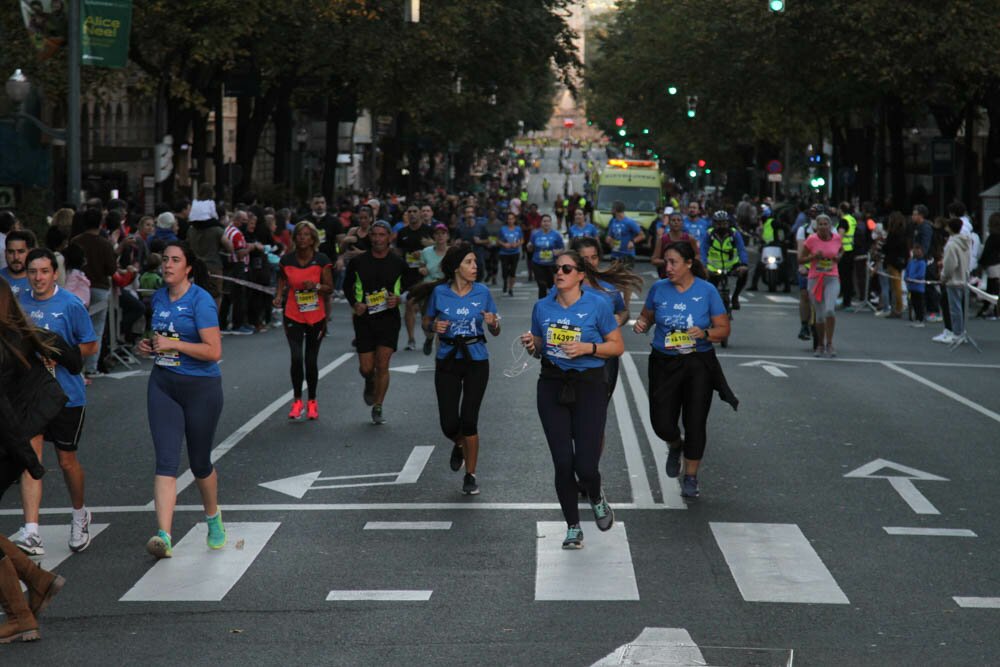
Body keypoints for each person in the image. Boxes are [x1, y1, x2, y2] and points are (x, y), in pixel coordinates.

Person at [520, 251, 624, 549]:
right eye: (557, 268)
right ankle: (573, 526)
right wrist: (532, 343)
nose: (560, 273)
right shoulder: (542, 307)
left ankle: (595, 494)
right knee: (563, 462)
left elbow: (616, 347)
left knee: (586, 466)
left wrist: (588, 348)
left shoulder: (598, 305)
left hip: (589, 385)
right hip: (552, 384)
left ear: (580, 275)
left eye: (567, 268)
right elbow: (541, 346)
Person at [135, 241, 225, 559]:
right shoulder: (158, 297)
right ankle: (164, 536)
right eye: (164, 260)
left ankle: (213, 518)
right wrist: (147, 346)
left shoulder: (200, 301)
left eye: (175, 260)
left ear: (188, 268)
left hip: (201, 388)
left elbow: (214, 351)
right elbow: (159, 337)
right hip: (163, 386)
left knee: (200, 464)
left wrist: (175, 344)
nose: (168, 265)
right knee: (166, 462)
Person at [0, 277, 77, 643]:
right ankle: (37, 581)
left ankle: (21, 616)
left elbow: (2, 412)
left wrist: (30, 459)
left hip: (7, 445)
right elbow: (75, 360)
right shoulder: (24, 332)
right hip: (13, 446)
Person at [632, 241, 736, 500]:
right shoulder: (659, 289)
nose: (667, 268)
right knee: (661, 422)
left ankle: (690, 475)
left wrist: (706, 332)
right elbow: (648, 316)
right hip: (664, 362)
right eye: (665, 262)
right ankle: (674, 444)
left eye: (673, 262)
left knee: (695, 421)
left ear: (689, 263)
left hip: (697, 362)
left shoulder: (707, 291)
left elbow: (724, 329)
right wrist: (642, 324)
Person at [11, 248, 97, 556]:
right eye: (33, 272)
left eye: (44, 271)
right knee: (31, 460)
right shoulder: (18, 303)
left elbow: (88, 345)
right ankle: (32, 530)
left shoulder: (70, 305)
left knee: (66, 461)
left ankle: (80, 515)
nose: (38, 278)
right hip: (31, 395)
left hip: (66, 395)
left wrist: (57, 354)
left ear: (54, 273)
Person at [414, 244, 501, 495]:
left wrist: (493, 324)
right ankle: (460, 444)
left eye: (475, 262)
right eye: (469, 262)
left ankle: (470, 475)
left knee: (470, 420)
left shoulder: (483, 292)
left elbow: (496, 329)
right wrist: (434, 328)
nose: (475, 267)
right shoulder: (439, 293)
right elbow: (427, 321)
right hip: (448, 358)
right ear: (456, 267)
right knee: (449, 424)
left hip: (476, 359)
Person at [344, 221, 407, 424]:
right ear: (369, 237)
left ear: (389, 237)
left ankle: (378, 405)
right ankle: (369, 381)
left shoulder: (398, 262)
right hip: (364, 319)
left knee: (383, 364)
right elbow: (347, 286)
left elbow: (410, 287)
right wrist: (355, 304)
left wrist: (399, 299)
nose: (378, 239)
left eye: (382, 235)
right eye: (374, 235)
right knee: (366, 368)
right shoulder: (359, 262)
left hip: (389, 319)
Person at [273, 222, 334, 421]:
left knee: (310, 360)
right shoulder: (287, 260)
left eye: (307, 235)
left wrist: (315, 286)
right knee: (296, 358)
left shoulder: (321, 260)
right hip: (293, 314)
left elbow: (329, 288)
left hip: (316, 315)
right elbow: (281, 280)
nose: (302, 238)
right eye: (299, 234)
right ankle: (297, 400)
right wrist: (278, 295)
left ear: (313, 239)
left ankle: (312, 401)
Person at [72, 209, 117, 376]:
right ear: (100, 223)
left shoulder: (76, 241)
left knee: (76, 329)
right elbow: (112, 269)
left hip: (76, 287)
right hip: (99, 287)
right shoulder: (104, 243)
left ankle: (76, 365)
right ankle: (91, 367)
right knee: (96, 329)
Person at [799, 214, 843, 357]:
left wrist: (838, 257)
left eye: (826, 224)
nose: (823, 227)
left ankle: (830, 344)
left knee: (829, 311)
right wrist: (813, 257)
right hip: (815, 279)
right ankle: (820, 345)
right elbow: (800, 259)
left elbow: (841, 251)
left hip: (832, 278)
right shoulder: (811, 240)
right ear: (816, 227)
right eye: (821, 224)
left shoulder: (836, 238)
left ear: (830, 226)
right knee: (819, 315)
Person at [395, 205, 434, 350]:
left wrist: (423, 254)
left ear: (420, 214)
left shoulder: (428, 231)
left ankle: (429, 338)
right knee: (409, 306)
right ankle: (411, 340)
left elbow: (437, 251)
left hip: (426, 276)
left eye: (414, 211)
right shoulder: (402, 232)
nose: (411, 214)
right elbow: (398, 253)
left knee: (426, 312)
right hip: (408, 275)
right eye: (409, 211)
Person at [702, 211, 749, 310]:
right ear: (714, 224)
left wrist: (744, 264)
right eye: (719, 223)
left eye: (724, 223)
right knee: (709, 286)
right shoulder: (709, 234)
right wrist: (704, 266)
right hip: (714, 267)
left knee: (744, 274)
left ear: (728, 223)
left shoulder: (734, 234)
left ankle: (735, 297)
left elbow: (741, 249)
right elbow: (703, 250)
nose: (722, 226)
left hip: (732, 265)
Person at [418, 224, 451, 354]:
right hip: (428, 289)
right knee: (427, 322)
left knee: (442, 322)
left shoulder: (451, 252)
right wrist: (422, 270)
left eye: (443, 233)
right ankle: (429, 338)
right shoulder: (426, 252)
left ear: (447, 236)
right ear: (434, 236)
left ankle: (440, 356)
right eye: (437, 233)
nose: (440, 236)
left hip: (446, 290)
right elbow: (420, 266)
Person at [939, 218, 971, 345]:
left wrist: (943, 276)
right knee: (960, 307)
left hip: (953, 280)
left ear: (950, 228)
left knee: (954, 308)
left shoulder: (951, 244)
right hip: (963, 277)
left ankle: (956, 333)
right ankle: (961, 331)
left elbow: (950, 265)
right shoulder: (966, 242)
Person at [651, 211, 698, 279]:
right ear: (669, 223)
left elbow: (697, 255)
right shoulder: (662, 239)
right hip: (666, 277)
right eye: (673, 220)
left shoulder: (689, 238)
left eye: (679, 220)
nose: (676, 222)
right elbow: (654, 260)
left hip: (685, 277)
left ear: (682, 223)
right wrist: (668, 261)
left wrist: (688, 262)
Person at [527, 214, 564, 298]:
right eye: (544, 221)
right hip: (538, 264)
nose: (546, 223)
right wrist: (529, 246)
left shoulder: (556, 235)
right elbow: (530, 247)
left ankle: (552, 303)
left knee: (552, 286)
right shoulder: (535, 234)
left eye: (548, 221)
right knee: (542, 285)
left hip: (551, 264)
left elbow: (562, 248)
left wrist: (558, 252)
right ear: (541, 223)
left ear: (551, 223)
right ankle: (541, 304)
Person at [604, 201, 644, 268]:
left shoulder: (629, 222)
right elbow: (609, 236)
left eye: (611, 209)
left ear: (615, 210)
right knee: (614, 277)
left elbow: (642, 235)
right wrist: (609, 239)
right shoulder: (612, 221)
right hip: (615, 255)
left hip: (627, 255)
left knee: (626, 277)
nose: (610, 211)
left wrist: (632, 242)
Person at [0, 229, 35, 298]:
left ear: (30, 252)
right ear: (5, 253)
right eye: (11, 252)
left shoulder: (39, 280)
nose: (16, 257)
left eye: (21, 251)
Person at [498, 211, 524, 296]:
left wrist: (517, 244)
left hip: (515, 252)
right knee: (505, 271)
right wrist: (504, 244)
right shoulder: (503, 229)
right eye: (509, 219)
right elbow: (498, 240)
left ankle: (511, 288)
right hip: (504, 253)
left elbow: (522, 240)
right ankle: (505, 281)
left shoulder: (518, 229)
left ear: (514, 220)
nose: (510, 220)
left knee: (513, 272)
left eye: (512, 219)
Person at [905, 245, 928, 327]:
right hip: (911, 287)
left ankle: (920, 319)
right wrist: (906, 277)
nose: (916, 252)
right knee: (913, 303)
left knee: (919, 304)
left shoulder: (922, 263)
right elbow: (907, 270)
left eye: (918, 250)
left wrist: (911, 278)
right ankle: (915, 318)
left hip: (919, 288)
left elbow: (921, 274)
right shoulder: (911, 262)